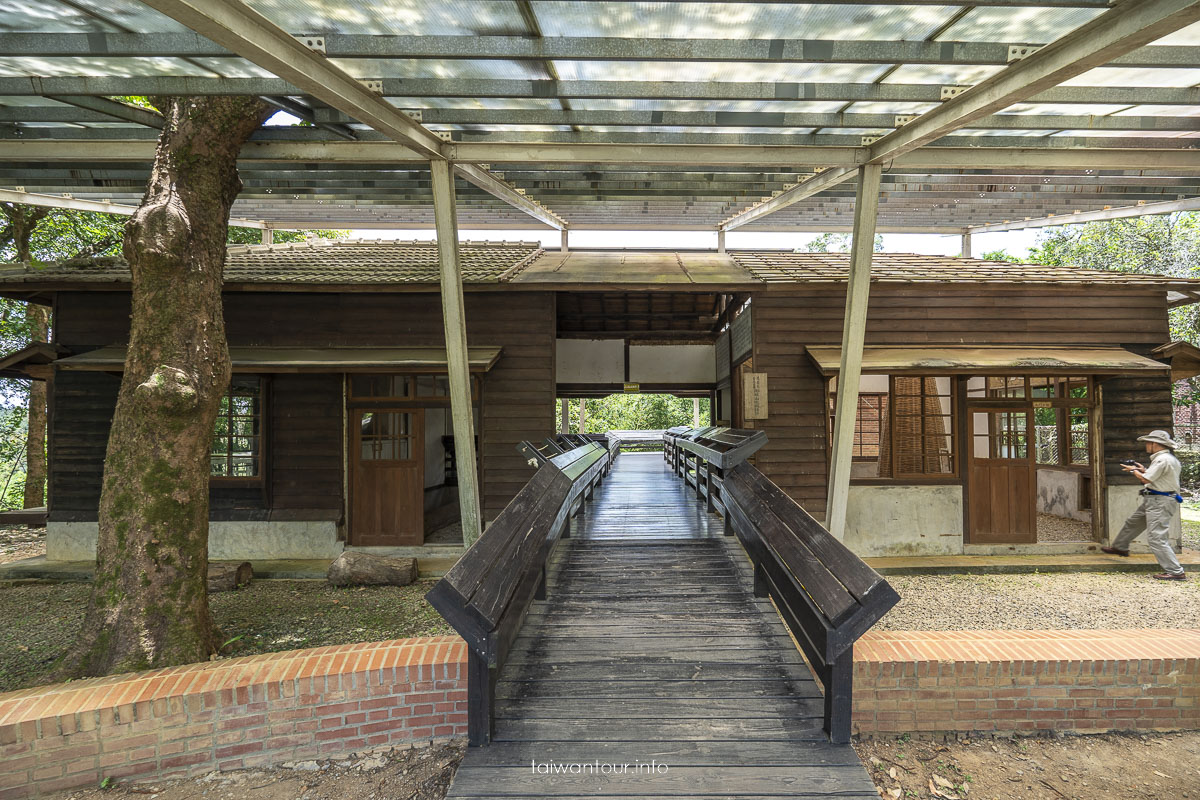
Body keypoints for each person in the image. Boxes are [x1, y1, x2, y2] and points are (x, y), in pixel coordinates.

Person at [1102, 429, 1186, 581]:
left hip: (1160, 501)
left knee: (1156, 537)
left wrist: (1134, 470)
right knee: (1133, 523)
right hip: (1154, 499)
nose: (1146, 445)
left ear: (1155, 444)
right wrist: (1143, 470)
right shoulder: (1166, 459)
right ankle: (1120, 547)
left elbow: (1145, 480)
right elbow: (1157, 477)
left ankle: (1175, 571)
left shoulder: (1162, 460)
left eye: (1148, 442)